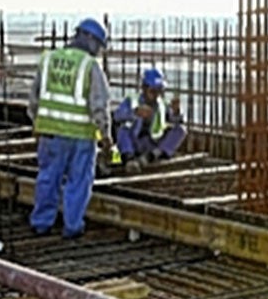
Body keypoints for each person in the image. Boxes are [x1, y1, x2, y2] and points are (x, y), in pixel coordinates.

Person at [28, 18, 111, 239]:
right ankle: (72, 226)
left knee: (48, 177)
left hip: (51, 133)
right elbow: (99, 105)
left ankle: (41, 222)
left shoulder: (48, 59)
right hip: (80, 136)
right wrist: (105, 135)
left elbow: (34, 99)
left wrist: (36, 123)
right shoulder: (89, 65)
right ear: (91, 40)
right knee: (79, 181)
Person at [112, 68, 187, 166]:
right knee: (123, 130)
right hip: (135, 142)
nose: (156, 94)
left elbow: (177, 121)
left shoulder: (162, 104)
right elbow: (117, 116)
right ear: (144, 88)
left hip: (152, 144)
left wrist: (177, 112)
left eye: (159, 91)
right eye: (153, 91)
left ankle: (153, 156)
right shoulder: (132, 100)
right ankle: (129, 158)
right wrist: (134, 113)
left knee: (181, 130)